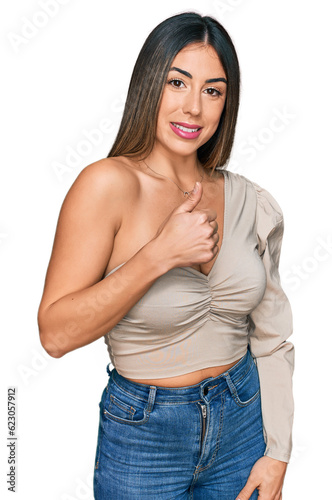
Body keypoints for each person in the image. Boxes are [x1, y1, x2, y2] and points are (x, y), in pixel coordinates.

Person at [37, 11, 294, 500]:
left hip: (243, 424)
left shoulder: (248, 200)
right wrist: (159, 254)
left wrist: (279, 451)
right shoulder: (106, 185)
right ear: (149, 84)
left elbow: (272, 338)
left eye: (213, 91)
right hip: (143, 437)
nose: (193, 107)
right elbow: (55, 333)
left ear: (227, 105)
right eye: (178, 83)